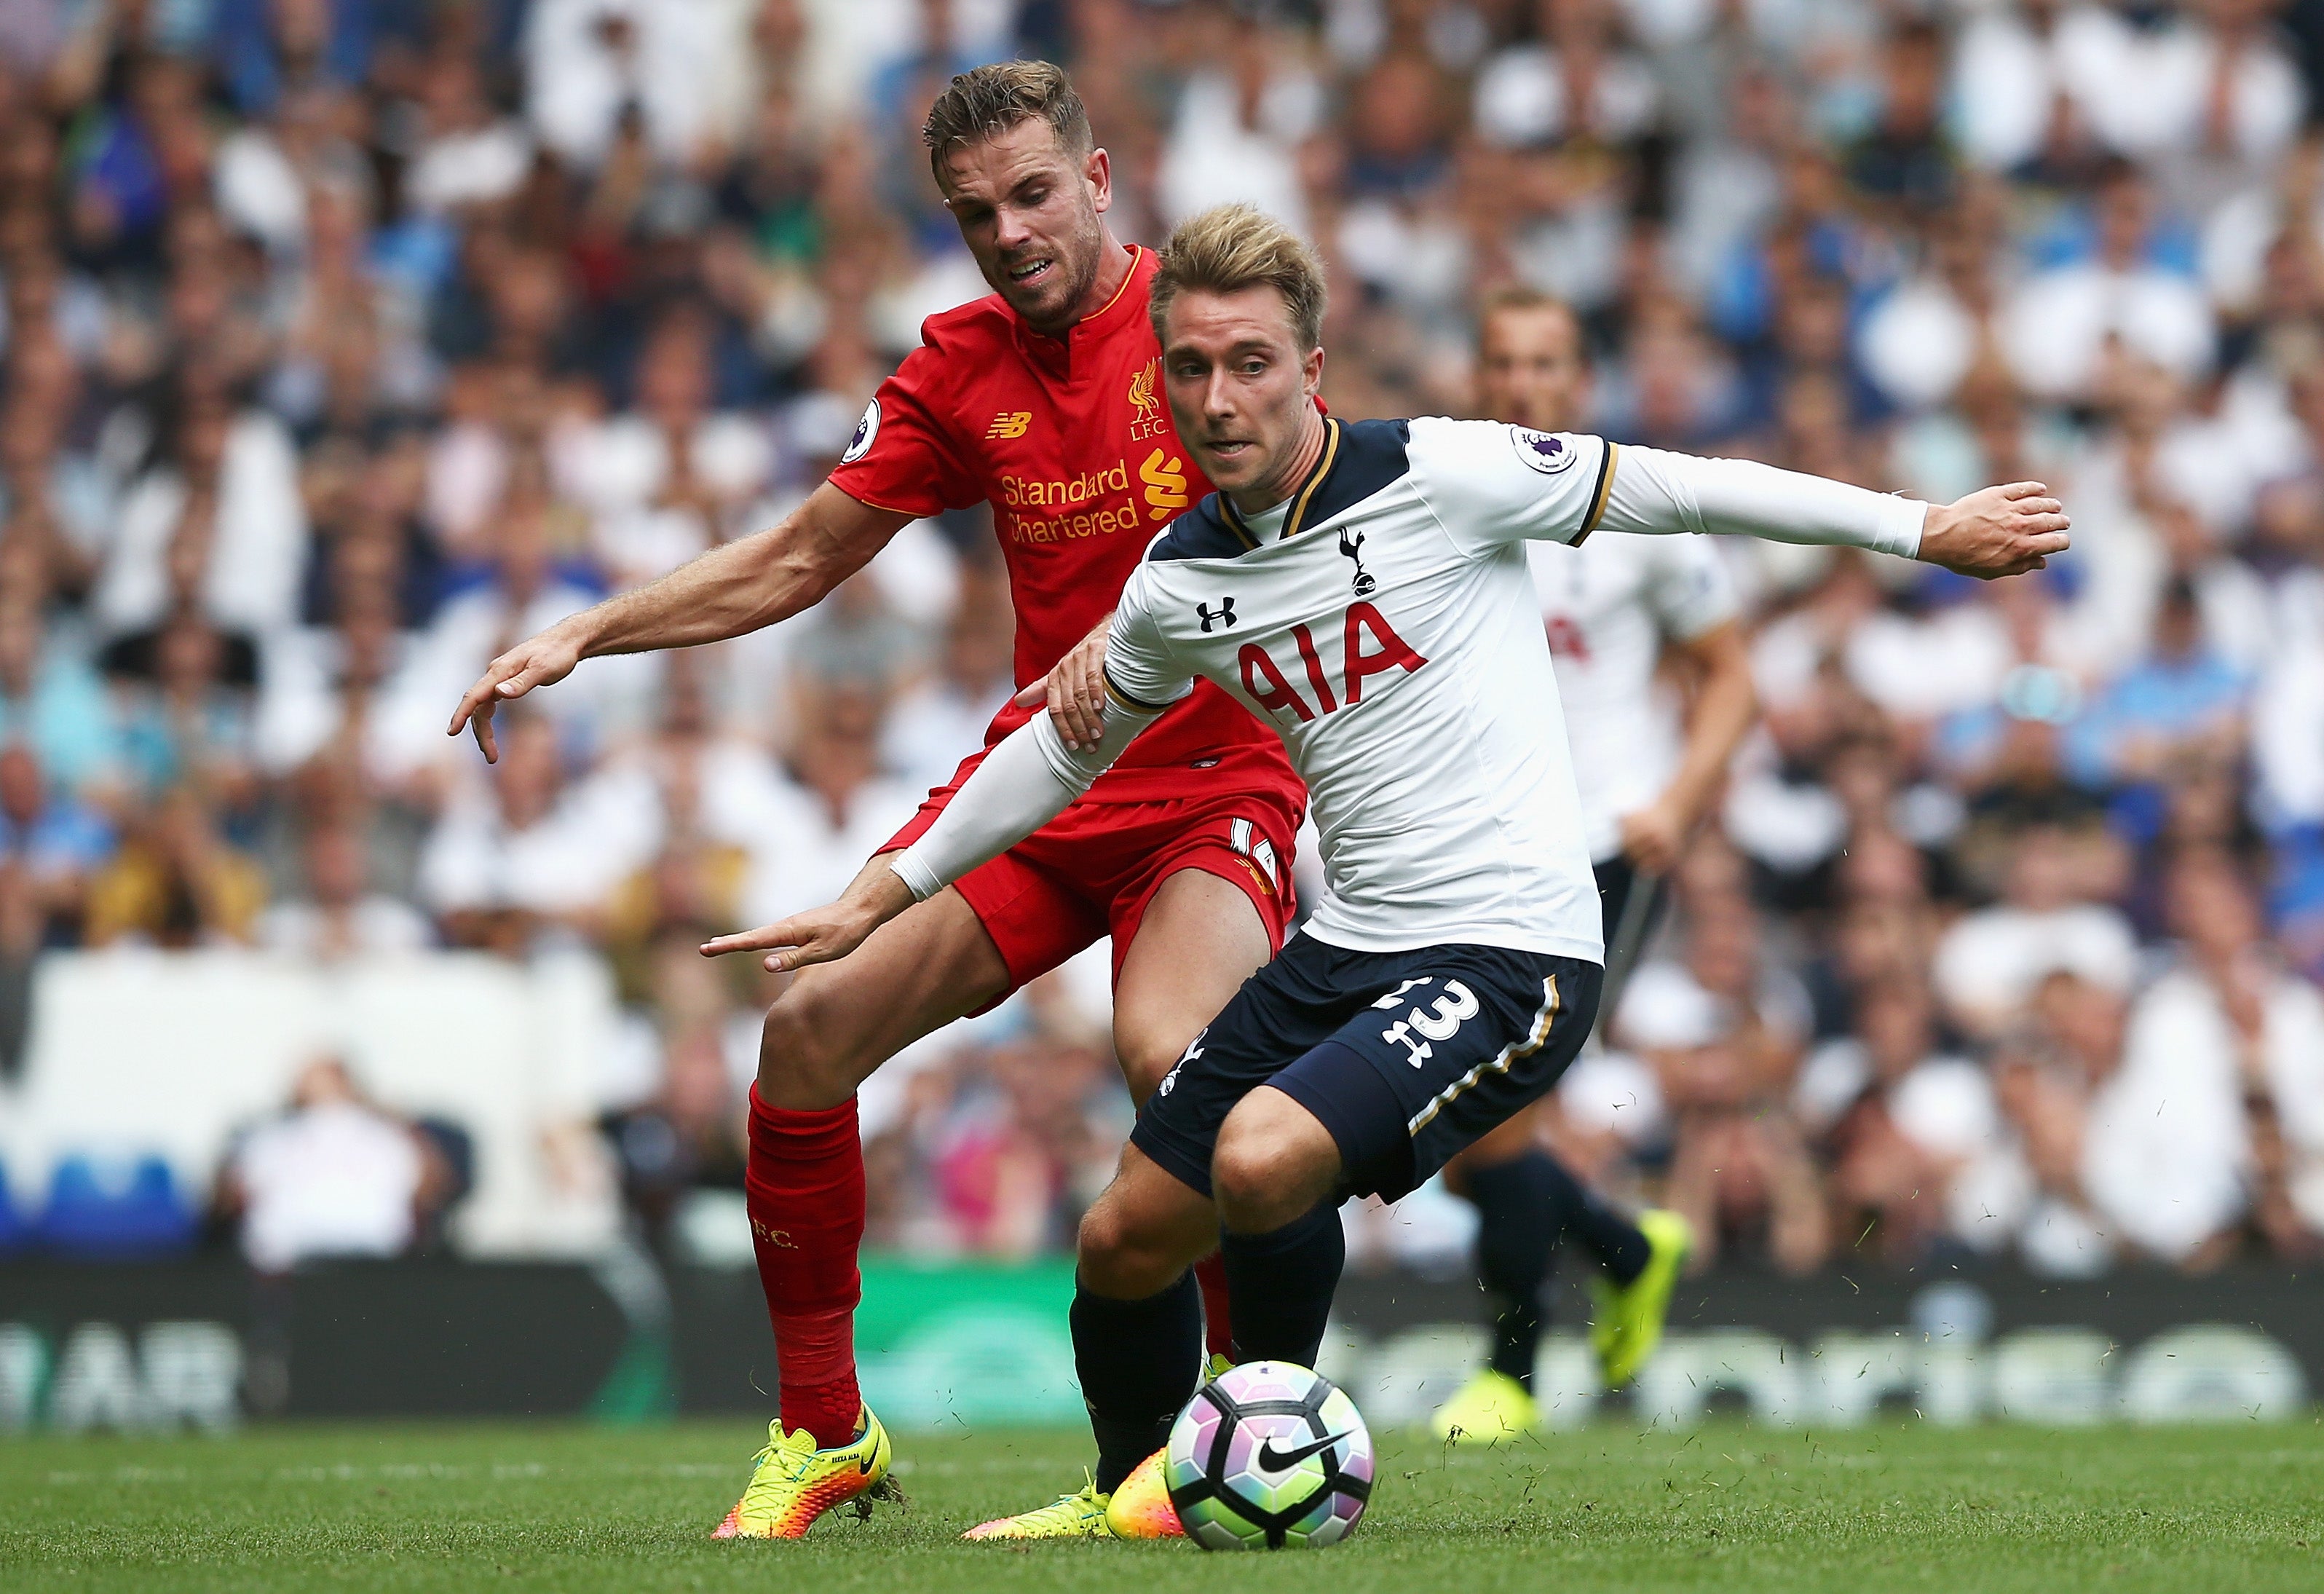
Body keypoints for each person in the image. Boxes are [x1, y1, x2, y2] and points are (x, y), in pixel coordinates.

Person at [708, 203, 2068, 1538]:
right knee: (1120, 1241)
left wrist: (1923, 527)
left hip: (1512, 949)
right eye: (1189, 367)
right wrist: (881, 888)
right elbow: (1056, 759)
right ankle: (1132, 1493)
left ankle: (1267, 1458)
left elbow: (1678, 484)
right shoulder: (1180, 585)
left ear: (1310, 371)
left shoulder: (1445, 471)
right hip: (1347, 945)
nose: (1218, 397)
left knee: (1260, 1156)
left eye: (1250, 364)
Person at [446, 64, 1305, 1539]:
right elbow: (798, 557)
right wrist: (592, 629)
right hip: (1049, 784)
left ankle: (1233, 1432)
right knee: (807, 1032)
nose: (1012, 230)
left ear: (1097, 182)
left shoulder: (1198, 331)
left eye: (1036, 193)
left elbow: (1300, 513)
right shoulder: (960, 367)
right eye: (977, 211)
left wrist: (1148, 619)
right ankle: (825, 1430)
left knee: (1180, 1057)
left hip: (1216, 778)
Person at [1427, 288, 1762, 1443]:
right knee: (1447, 1131)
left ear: (1581, 383)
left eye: (1546, 363)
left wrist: (1677, 797)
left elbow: (1730, 675)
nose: (1524, 384)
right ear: (1478, 378)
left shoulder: (1639, 512)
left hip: (1601, 847)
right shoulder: (1441, 502)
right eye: (1503, 361)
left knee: (1492, 1120)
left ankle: (1511, 1372)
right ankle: (1624, 1247)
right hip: (1468, 851)